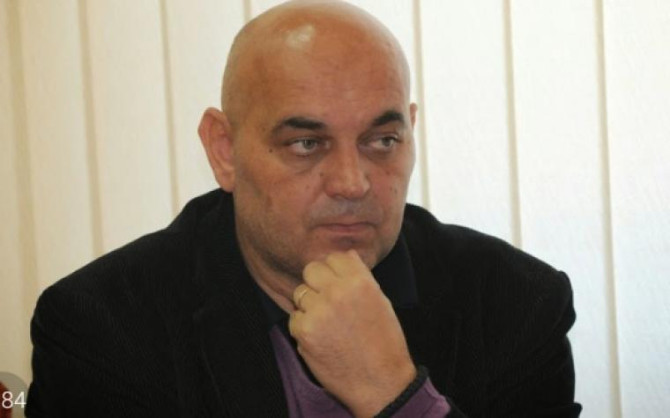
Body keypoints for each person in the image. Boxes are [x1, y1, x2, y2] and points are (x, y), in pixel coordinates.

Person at [26, 1, 581, 417]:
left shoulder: (516, 303)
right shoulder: (105, 328)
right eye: (306, 144)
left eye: (382, 141)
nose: (352, 183)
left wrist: (394, 395)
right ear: (224, 150)